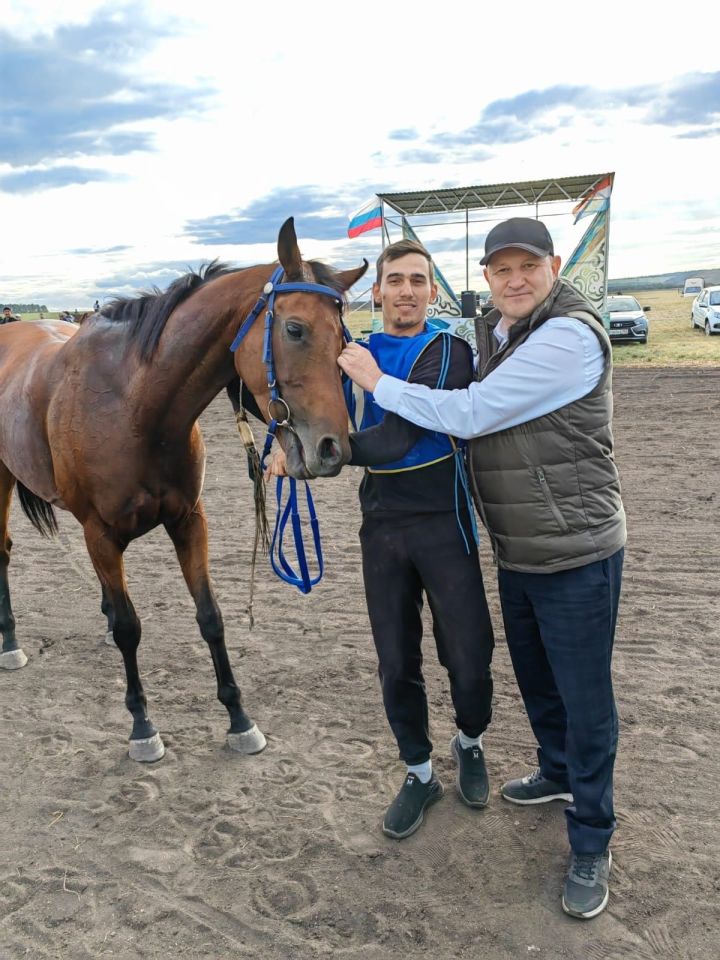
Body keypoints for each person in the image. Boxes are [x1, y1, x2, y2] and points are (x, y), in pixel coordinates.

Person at [338, 217, 625, 919]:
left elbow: (467, 415)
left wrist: (368, 391)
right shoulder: (498, 335)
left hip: (573, 544)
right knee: (531, 680)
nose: (514, 280)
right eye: (502, 270)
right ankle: (549, 775)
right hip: (518, 546)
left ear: (555, 266)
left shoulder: (563, 336)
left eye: (527, 267)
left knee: (577, 698)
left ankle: (590, 841)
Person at [267, 239, 495, 840]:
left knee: (469, 654)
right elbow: (315, 406)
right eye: (396, 280)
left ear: (430, 290)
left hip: (443, 518)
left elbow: (396, 438)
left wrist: (320, 459)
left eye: (418, 280)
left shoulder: (446, 349)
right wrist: (284, 441)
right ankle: (419, 773)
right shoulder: (348, 351)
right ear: (378, 291)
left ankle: (470, 740)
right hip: (383, 526)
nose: (406, 291)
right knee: (396, 659)